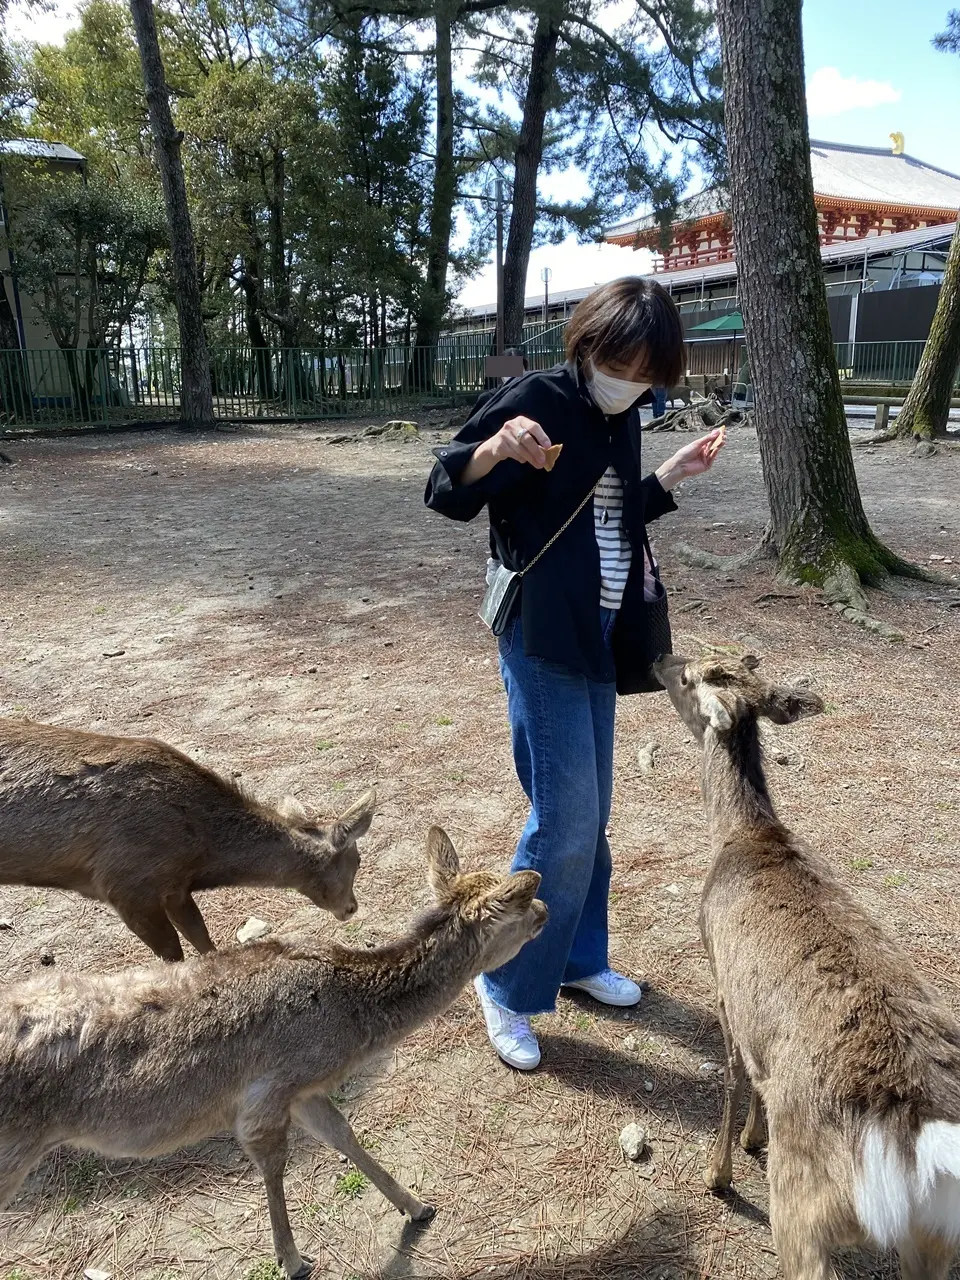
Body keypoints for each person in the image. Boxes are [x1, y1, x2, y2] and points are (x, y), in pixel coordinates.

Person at [423, 277, 725, 1070]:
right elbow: (444, 488)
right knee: (562, 821)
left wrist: (667, 478)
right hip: (542, 634)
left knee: (593, 819)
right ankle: (506, 982)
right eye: (624, 361)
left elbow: (608, 512)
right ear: (588, 346)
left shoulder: (621, 417)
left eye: (651, 371)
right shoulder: (541, 398)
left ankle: (581, 958)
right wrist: (495, 448)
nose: (634, 381)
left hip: (599, 634)